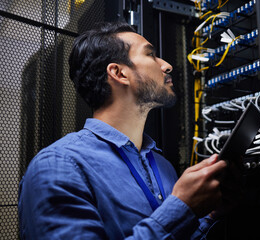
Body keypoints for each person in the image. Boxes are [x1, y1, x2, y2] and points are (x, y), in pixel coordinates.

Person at [18, 21, 228, 239]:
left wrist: (210, 215)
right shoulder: (59, 166)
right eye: (151, 55)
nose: (166, 65)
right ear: (119, 73)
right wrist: (182, 208)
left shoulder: (162, 166)